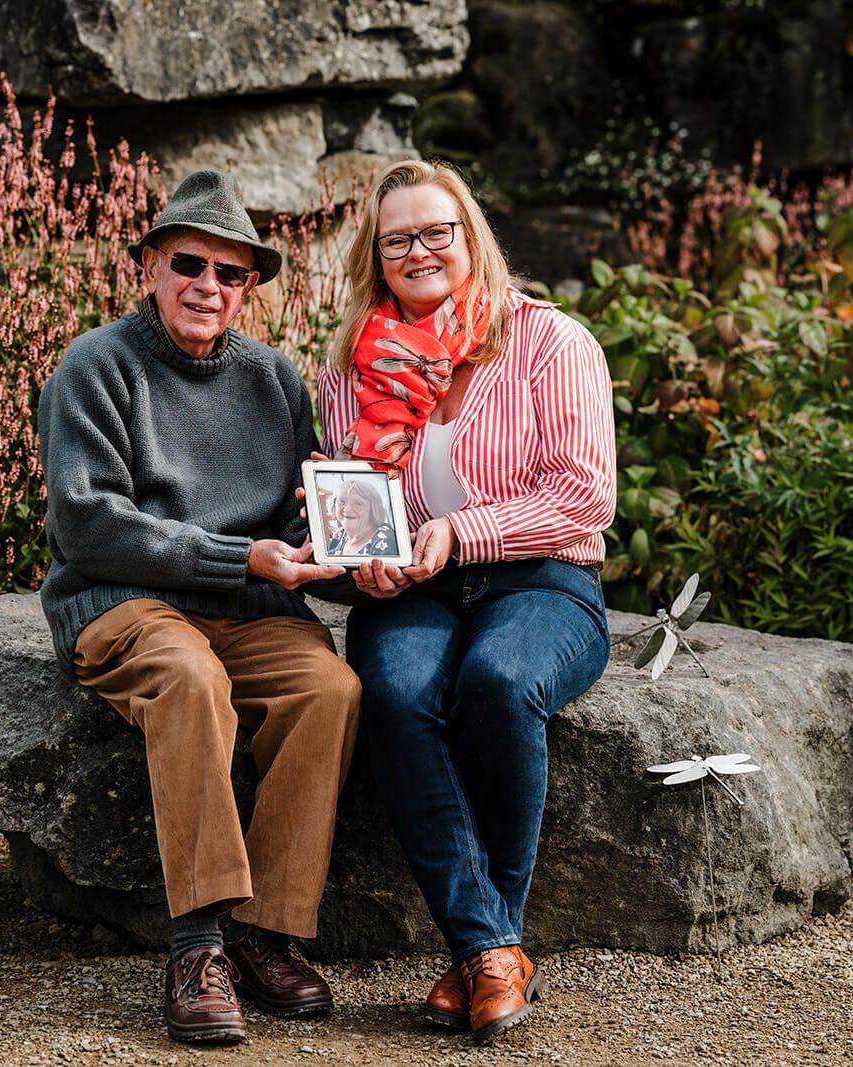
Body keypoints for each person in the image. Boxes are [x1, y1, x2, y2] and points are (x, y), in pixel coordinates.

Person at [36, 170, 360, 1045]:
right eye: (189, 263)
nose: (209, 287)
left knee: (329, 688)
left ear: (248, 288)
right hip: (126, 602)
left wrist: (341, 552)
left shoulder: (273, 380)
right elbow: (89, 521)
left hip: (247, 606)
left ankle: (266, 932)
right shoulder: (96, 365)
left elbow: (298, 508)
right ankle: (199, 944)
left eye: (232, 274)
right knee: (188, 677)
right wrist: (235, 555)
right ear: (149, 264)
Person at [317, 160, 617, 1044]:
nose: (419, 251)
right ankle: (493, 950)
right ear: (376, 257)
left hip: (544, 579)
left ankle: (483, 944)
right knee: (399, 692)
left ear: (469, 235)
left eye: (435, 231)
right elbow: (353, 500)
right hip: (414, 588)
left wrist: (465, 530)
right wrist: (361, 560)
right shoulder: (348, 368)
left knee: (496, 678)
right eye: (397, 238)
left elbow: (585, 496)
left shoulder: (548, 341)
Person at [325, 478, 398, 557]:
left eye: (358, 504)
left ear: (373, 509)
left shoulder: (385, 540)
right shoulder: (340, 533)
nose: (347, 509)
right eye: (342, 501)